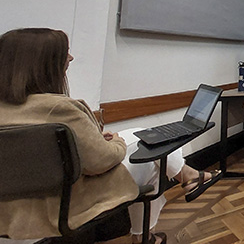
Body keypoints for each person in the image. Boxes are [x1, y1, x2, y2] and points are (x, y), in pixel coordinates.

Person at [0, 28, 220, 244]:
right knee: (156, 154)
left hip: (10, 210)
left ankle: (187, 178)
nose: (71, 57)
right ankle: (147, 231)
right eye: (64, 52)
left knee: (140, 134)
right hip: (67, 204)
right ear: (44, 63)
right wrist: (116, 142)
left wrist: (95, 138)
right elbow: (100, 162)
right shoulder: (60, 109)